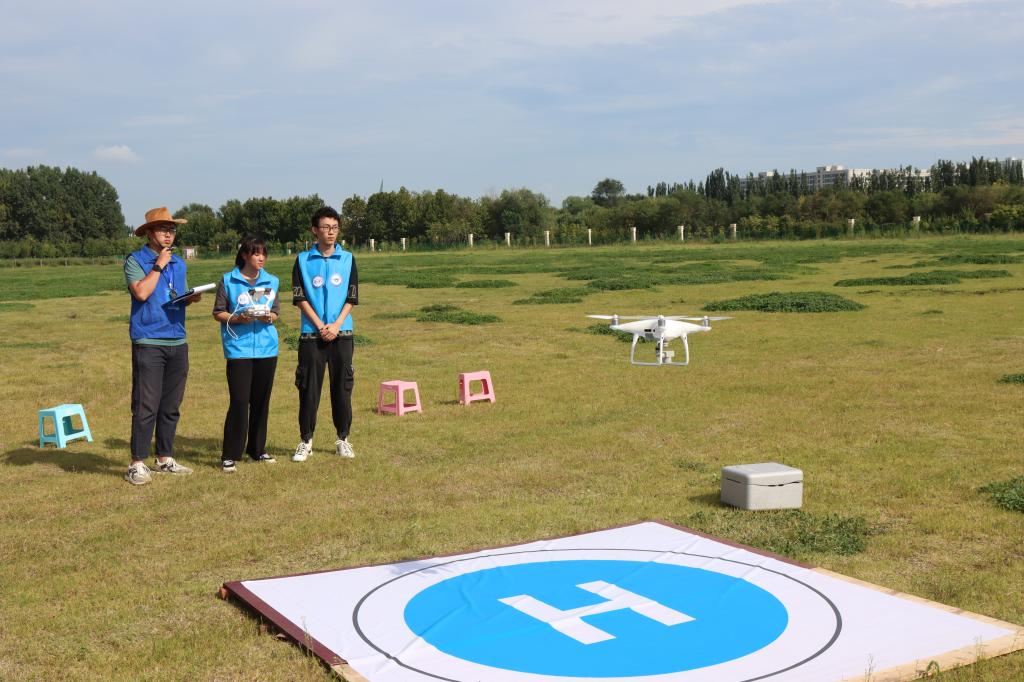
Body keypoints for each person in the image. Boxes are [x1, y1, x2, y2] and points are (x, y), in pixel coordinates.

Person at [123, 207, 202, 485]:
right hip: (149, 340)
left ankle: (164, 458)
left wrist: (190, 297)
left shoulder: (179, 263)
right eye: (163, 229)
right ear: (149, 233)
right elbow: (142, 292)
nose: (169, 234)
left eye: (172, 230)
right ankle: (136, 463)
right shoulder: (135, 260)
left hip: (177, 339)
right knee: (146, 404)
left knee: (171, 404)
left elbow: (175, 294)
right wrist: (158, 265)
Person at [291, 206, 359, 462]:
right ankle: (305, 441)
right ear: (315, 230)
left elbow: (352, 296)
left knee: (342, 388)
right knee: (308, 389)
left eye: (335, 227)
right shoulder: (302, 260)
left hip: (342, 333)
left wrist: (336, 325)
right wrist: (321, 326)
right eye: (326, 227)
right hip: (312, 334)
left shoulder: (348, 258)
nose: (331, 232)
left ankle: (343, 439)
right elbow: (299, 298)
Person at [212, 235, 281, 473]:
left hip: (267, 349)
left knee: (261, 402)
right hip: (238, 349)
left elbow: (276, 311)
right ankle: (230, 454)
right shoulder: (228, 280)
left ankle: (257, 450)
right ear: (244, 255)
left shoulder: (272, 280)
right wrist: (238, 319)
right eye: (256, 253)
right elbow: (218, 312)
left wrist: (269, 317)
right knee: (240, 401)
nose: (261, 258)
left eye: (264, 254)